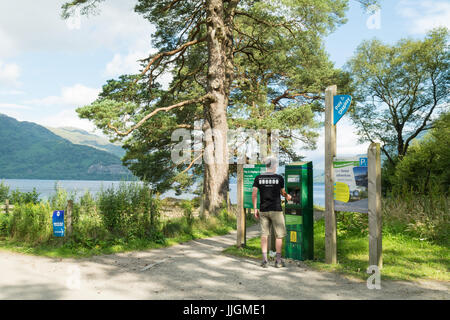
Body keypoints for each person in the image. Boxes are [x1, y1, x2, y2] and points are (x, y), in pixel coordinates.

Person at [252, 156, 292, 268]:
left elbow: (254, 193)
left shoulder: (258, 178)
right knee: (279, 235)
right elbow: (282, 192)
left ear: (266, 165)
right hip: (276, 210)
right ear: (274, 166)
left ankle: (264, 261)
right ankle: (278, 261)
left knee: (264, 235)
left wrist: (255, 208)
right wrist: (287, 196)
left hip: (263, 210)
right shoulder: (279, 178)